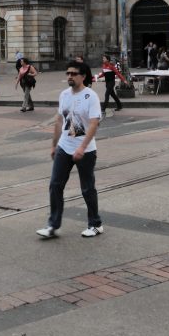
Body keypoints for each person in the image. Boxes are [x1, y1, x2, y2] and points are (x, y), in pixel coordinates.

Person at [36, 60, 103, 239]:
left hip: (85, 150)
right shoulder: (64, 95)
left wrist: (82, 147)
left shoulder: (91, 96)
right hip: (64, 147)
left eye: (73, 73)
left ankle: (95, 224)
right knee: (55, 185)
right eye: (68, 73)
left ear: (83, 76)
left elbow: (94, 123)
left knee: (87, 189)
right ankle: (53, 225)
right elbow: (59, 120)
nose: (70, 76)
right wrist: (53, 145)